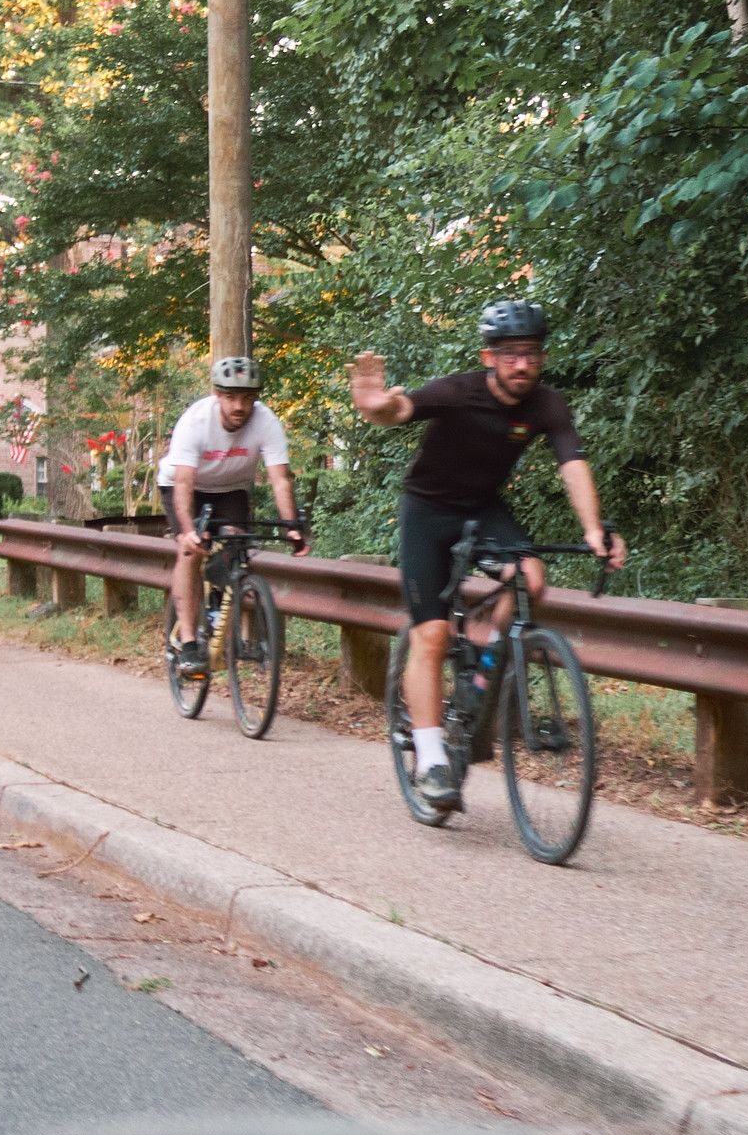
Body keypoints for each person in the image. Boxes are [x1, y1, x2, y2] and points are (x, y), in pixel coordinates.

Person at [349, 299, 626, 811]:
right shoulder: (459, 392)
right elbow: (401, 409)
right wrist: (375, 405)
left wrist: (593, 530)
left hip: (483, 509)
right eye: (510, 353)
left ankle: (481, 665)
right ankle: (431, 760)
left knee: (532, 579)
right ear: (489, 356)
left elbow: (572, 464)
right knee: (430, 634)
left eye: (532, 354)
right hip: (427, 512)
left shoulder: (548, 404)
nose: (522, 364)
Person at [155, 355, 309, 677]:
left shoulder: (266, 422)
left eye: (248, 398)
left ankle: (216, 596)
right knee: (190, 550)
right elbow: (183, 482)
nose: (240, 406)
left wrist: (292, 526)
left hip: (231, 488)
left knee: (236, 544)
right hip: (185, 486)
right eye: (231, 397)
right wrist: (187, 530)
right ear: (217, 394)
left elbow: (280, 478)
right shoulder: (196, 421)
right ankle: (188, 645)